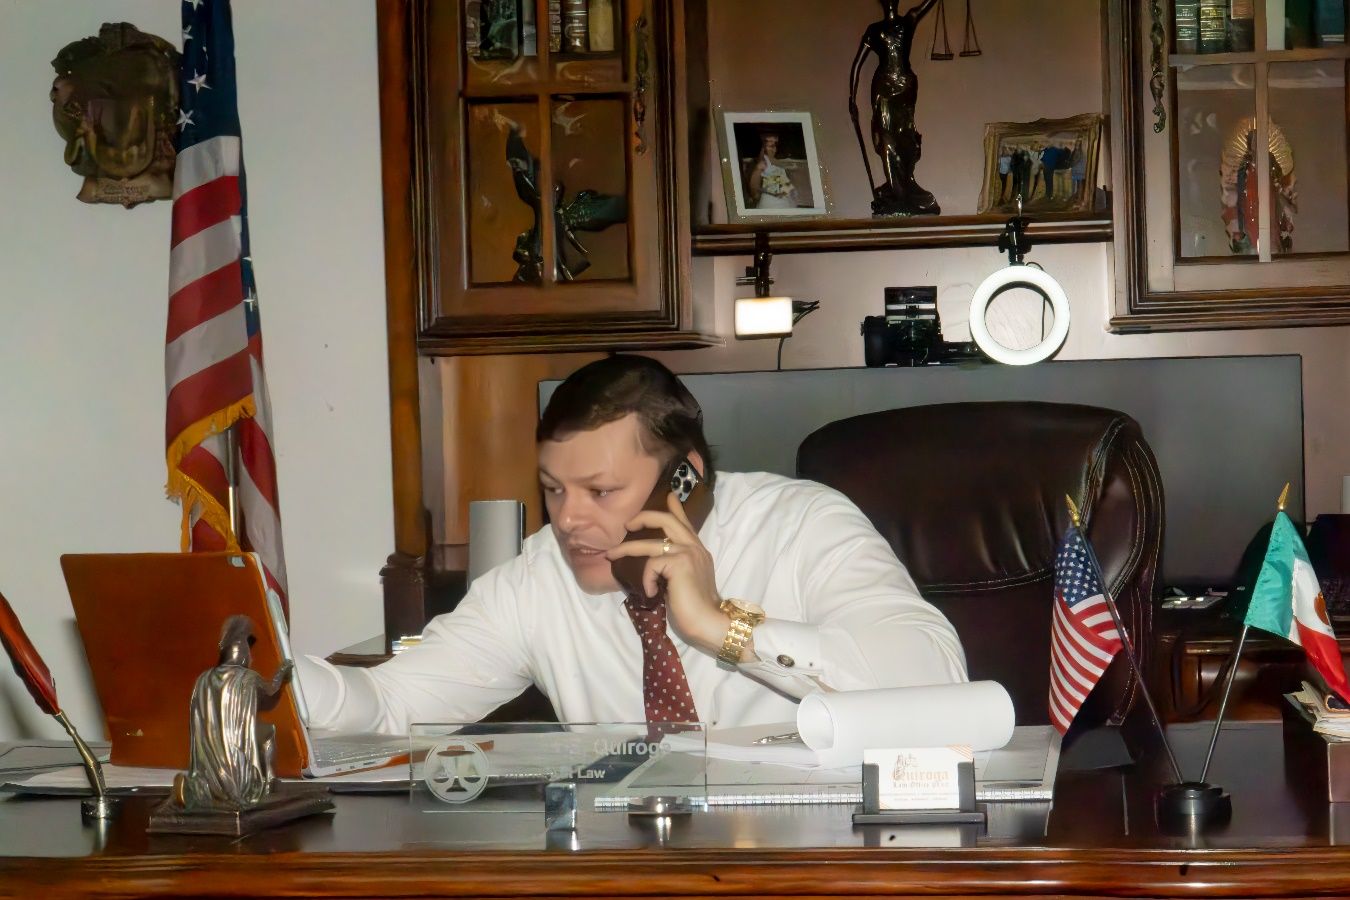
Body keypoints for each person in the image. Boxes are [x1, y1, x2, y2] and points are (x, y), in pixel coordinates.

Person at [297, 356, 966, 734]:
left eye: (601, 490)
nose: (569, 520)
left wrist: (722, 625)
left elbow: (936, 678)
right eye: (554, 489)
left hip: (807, 874)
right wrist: (274, 687)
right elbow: (392, 705)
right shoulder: (540, 580)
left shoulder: (802, 525)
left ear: (685, 477)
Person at [174, 615, 293, 810]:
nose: (252, 658)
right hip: (239, 754)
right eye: (250, 652)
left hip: (210, 757)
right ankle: (270, 781)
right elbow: (269, 697)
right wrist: (282, 675)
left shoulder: (203, 680)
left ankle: (200, 786)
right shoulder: (248, 678)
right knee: (269, 731)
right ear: (244, 654)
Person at [747, 131, 798, 209]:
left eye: (774, 145)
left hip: (786, 205)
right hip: (771, 206)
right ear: (762, 147)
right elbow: (754, 193)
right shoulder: (759, 163)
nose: (773, 148)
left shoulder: (778, 164)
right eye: (770, 144)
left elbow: (787, 187)